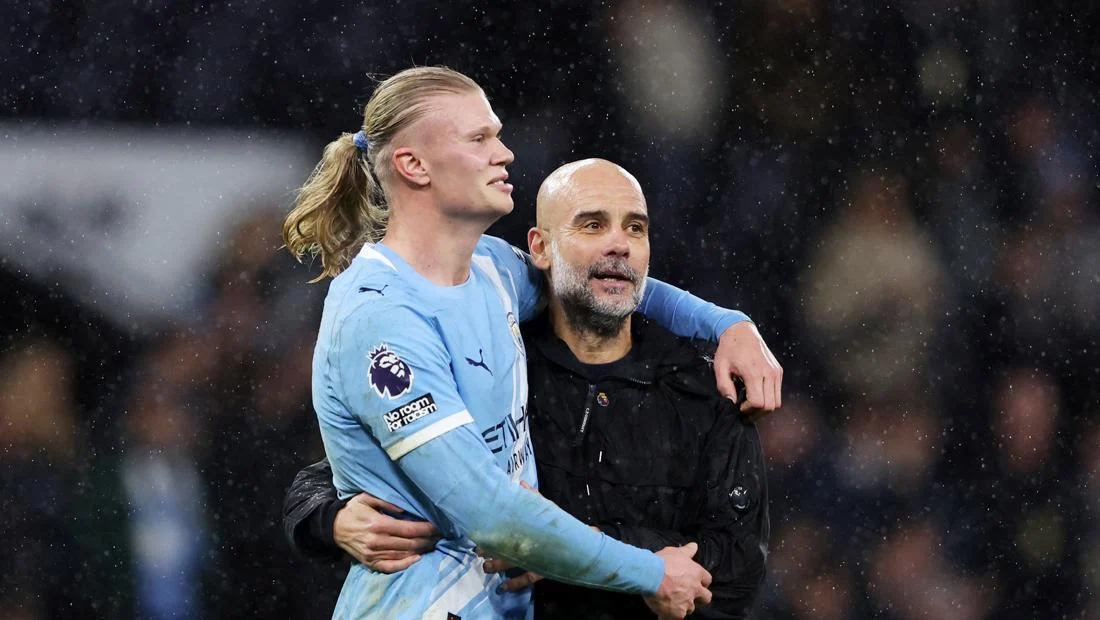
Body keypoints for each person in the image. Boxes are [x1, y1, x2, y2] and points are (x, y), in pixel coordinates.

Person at [281, 66, 782, 619]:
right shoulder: (381, 318)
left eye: (497, 135)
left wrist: (727, 324)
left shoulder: (493, 271)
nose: (505, 154)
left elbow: (598, 277)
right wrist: (650, 570)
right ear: (413, 165)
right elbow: (490, 514)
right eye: (479, 138)